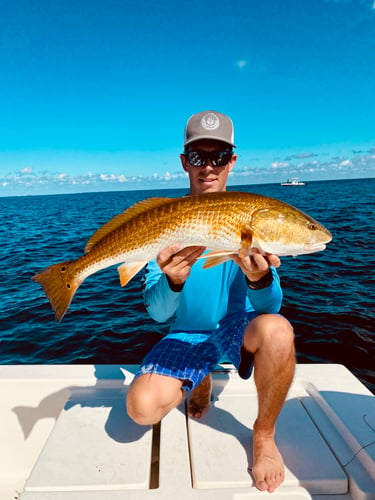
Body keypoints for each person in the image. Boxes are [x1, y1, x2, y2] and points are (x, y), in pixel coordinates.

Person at [127, 110, 295, 493]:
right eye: (198, 157)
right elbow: (158, 313)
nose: (208, 167)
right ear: (185, 162)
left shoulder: (249, 214)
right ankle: (199, 378)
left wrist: (260, 276)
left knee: (279, 331)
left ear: (232, 161)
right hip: (186, 332)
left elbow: (270, 307)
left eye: (218, 156)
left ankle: (264, 436)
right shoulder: (161, 221)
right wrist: (172, 280)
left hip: (239, 327)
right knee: (141, 409)